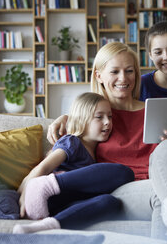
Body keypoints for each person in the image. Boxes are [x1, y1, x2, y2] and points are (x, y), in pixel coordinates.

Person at [47, 42, 167, 243]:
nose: (123, 78)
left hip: (166, 184)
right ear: (99, 76)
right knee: (162, 195)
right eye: (115, 71)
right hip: (122, 191)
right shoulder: (95, 119)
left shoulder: (158, 110)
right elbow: (71, 147)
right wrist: (68, 118)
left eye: (129, 71)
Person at [13, 92, 134, 234]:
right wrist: (24, 195)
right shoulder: (72, 142)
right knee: (124, 173)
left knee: (111, 203)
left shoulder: (98, 152)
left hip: (63, 207)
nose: (107, 122)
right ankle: (49, 185)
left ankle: (47, 227)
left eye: (110, 116)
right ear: (82, 120)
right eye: (99, 117)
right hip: (49, 196)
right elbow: (44, 167)